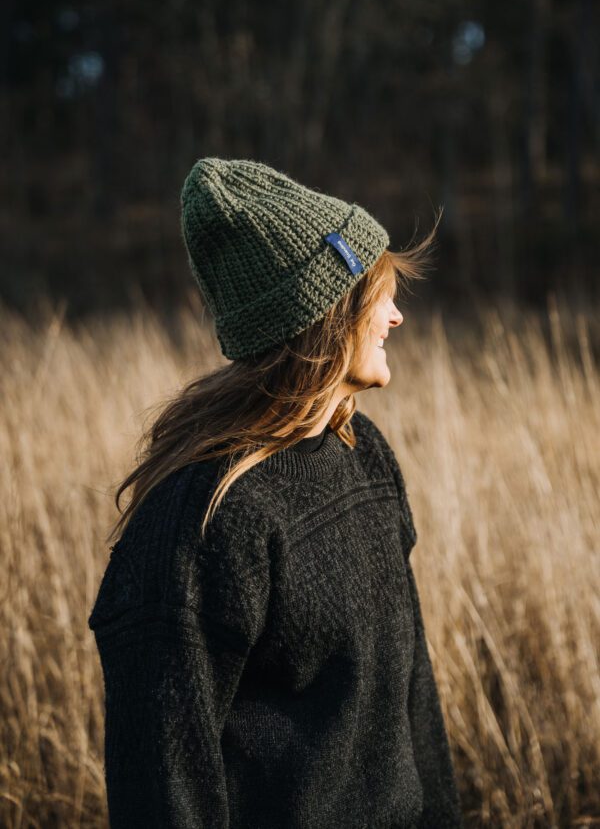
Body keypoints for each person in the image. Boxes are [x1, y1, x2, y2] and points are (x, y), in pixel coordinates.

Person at [88, 157, 464, 829]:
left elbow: (412, 702)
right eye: (379, 293)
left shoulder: (365, 456)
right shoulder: (202, 522)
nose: (398, 316)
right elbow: (164, 791)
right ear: (326, 314)